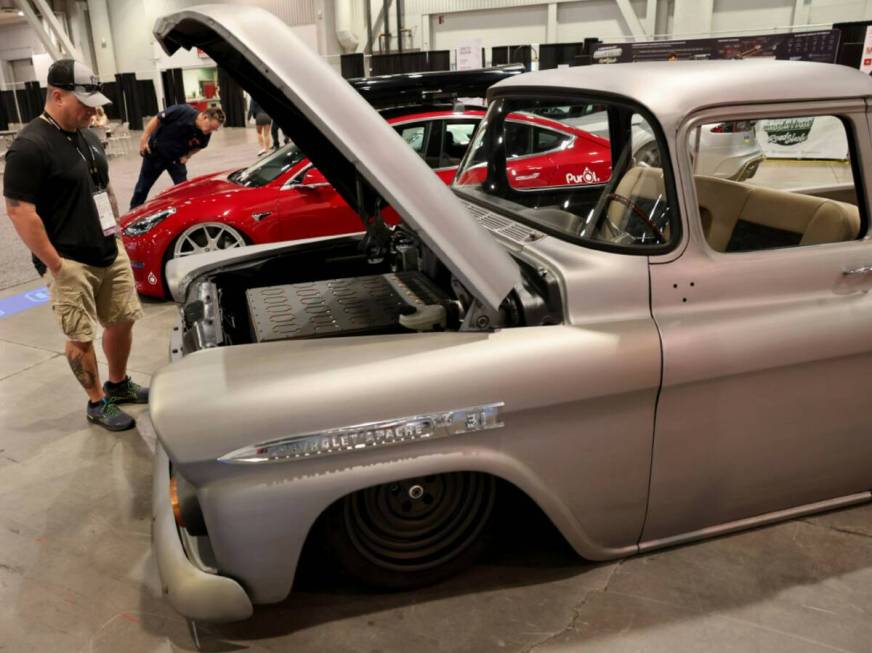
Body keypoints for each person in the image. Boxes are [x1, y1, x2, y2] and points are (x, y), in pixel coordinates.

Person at [3, 59, 147, 432]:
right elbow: (19, 211)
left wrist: (115, 233)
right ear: (56, 95)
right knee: (80, 336)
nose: (93, 110)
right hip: (68, 259)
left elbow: (103, 188)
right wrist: (55, 264)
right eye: (84, 102)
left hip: (107, 248)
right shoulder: (30, 146)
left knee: (123, 318)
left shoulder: (88, 136)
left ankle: (118, 383)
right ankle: (97, 401)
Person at [129, 104, 225, 208]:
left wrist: (188, 155)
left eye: (213, 130)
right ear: (205, 117)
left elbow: (200, 146)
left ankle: (185, 214)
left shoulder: (205, 132)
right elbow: (157, 119)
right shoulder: (182, 111)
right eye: (210, 127)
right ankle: (132, 213)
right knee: (142, 187)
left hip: (176, 159)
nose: (210, 131)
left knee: (184, 190)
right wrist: (144, 139)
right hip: (156, 153)